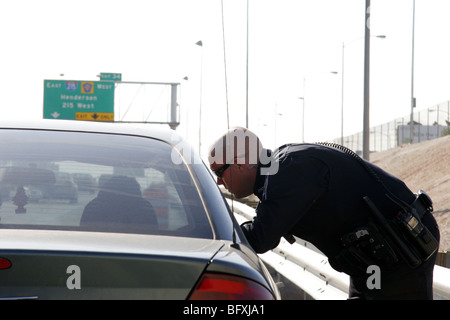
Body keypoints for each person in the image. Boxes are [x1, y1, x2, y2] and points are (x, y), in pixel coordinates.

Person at [208, 127, 440, 300]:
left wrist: (210, 232)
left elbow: (260, 237)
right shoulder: (279, 169)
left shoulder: (288, 169)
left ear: (238, 164)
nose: (219, 182)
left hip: (401, 249)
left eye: (219, 172)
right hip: (376, 257)